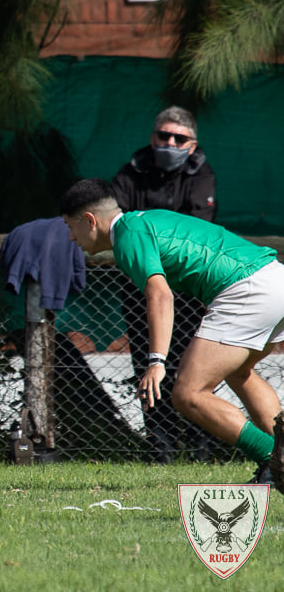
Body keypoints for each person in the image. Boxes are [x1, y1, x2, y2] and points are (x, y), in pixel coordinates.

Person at [60, 178, 284, 491]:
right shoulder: (144, 221)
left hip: (246, 289)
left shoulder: (127, 236)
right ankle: (277, 454)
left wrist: (156, 361)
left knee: (188, 395)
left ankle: (274, 458)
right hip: (274, 278)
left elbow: (160, 295)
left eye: (70, 226)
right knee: (240, 373)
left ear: (89, 220)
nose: (72, 238)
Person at [112, 106, 216, 462]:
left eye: (179, 138)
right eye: (164, 135)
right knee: (149, 364)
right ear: (152, 137)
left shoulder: (202, 173)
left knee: (194, 365)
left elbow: (197, 228)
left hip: (189, 291)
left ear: (192, 145)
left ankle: (202, 450)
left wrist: (146, 239)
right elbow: (118, 223)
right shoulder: (131, 171)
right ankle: (161, 449)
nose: (170, 143)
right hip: (141, 291)